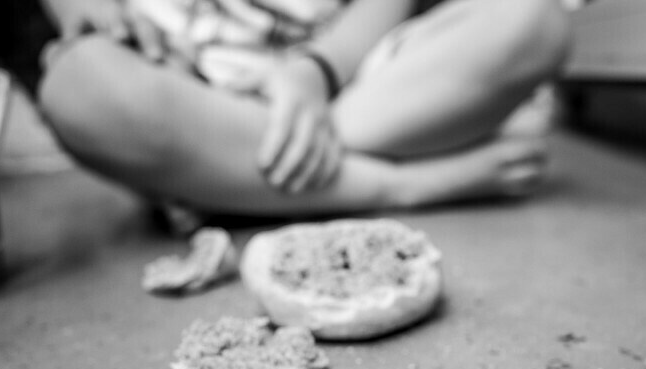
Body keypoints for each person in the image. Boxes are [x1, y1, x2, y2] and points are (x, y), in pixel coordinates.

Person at [37, 0, 571, 219]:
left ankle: (225, 184)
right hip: (187, 89)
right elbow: (81, 14)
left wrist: (315, 70)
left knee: (533, 20)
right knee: (76, 86)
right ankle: (398, 184)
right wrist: (100, 16)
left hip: (351, 84)